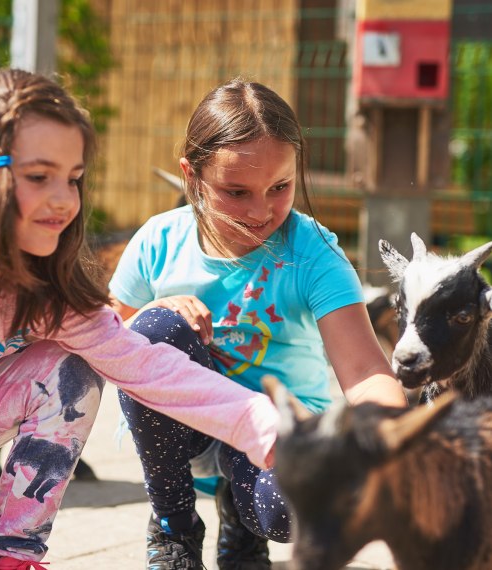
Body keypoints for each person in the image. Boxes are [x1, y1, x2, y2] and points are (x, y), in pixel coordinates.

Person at [0, 69, 279, 570]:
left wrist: (272, 428)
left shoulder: (51, 295)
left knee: (68, 368)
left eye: (73, 179)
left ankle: (7, 555)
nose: (63, 199)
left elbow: (148, 368)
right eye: (38, 177)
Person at [109, 78, 408, 570]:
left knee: (296, 508)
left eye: (280, 187)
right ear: (191, 176)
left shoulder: (312, 253)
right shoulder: (159, 240)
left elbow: (363, 370)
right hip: (186, 429)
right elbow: (105, 335)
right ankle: (173, 530)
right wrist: (146, 315)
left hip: (272, 437)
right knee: (156, 329)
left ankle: (242, 523)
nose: (260, 210)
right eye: (235, 191)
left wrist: (395, 438)